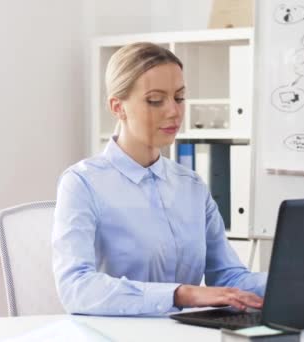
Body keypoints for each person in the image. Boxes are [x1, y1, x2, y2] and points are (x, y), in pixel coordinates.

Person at [52, 42, 267, 316]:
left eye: (179, 98)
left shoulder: (191, 186)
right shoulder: (82, 184)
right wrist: (181, 294)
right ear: (118, 107)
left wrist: (297, 282)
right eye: (155, 100)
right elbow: (76, 288)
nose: (173, 111)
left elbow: (229, 279)